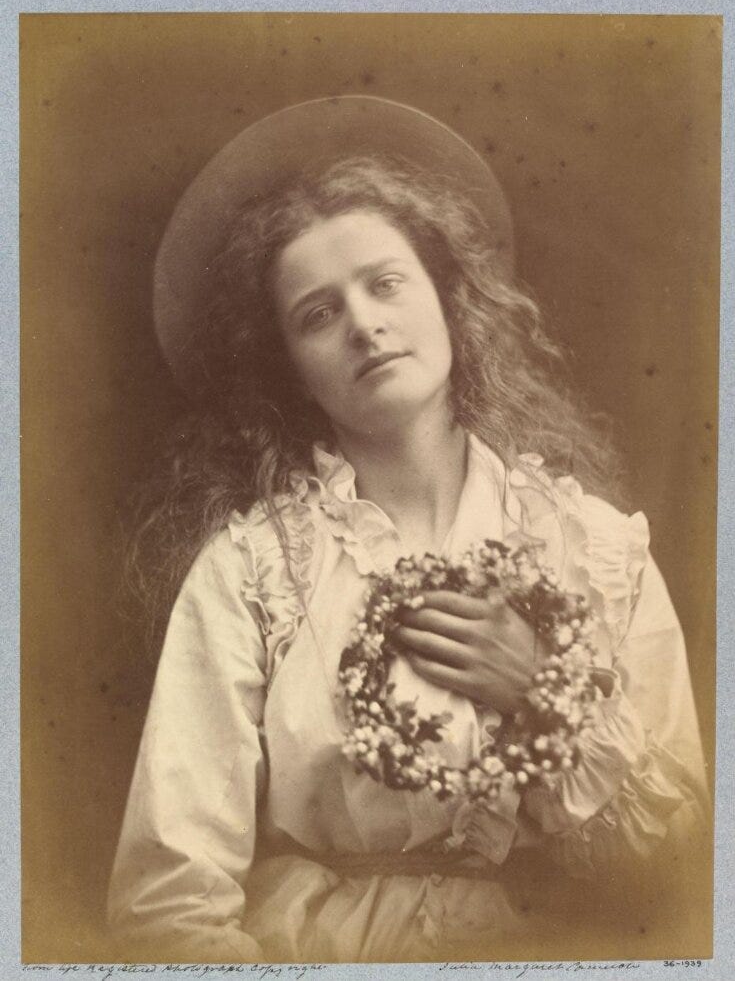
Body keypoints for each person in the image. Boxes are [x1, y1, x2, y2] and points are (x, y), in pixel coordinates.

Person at [108, 97, 710, 963]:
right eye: (316, 314)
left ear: (447, 299)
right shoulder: (249, 573)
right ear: (290, 372)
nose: (363, 324)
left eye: (385, 283)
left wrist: (541, 694)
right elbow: (169, 897)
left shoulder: (597, 549)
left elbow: (683, 879)